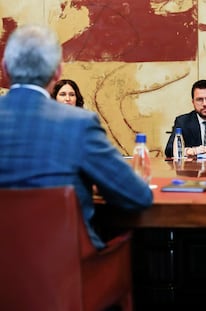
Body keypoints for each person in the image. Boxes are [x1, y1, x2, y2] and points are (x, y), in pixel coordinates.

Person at [0, 24, 153, 249]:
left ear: (4, 68)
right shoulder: (79, 123)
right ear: (57, 72)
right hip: (69, 268)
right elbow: (137, 197)